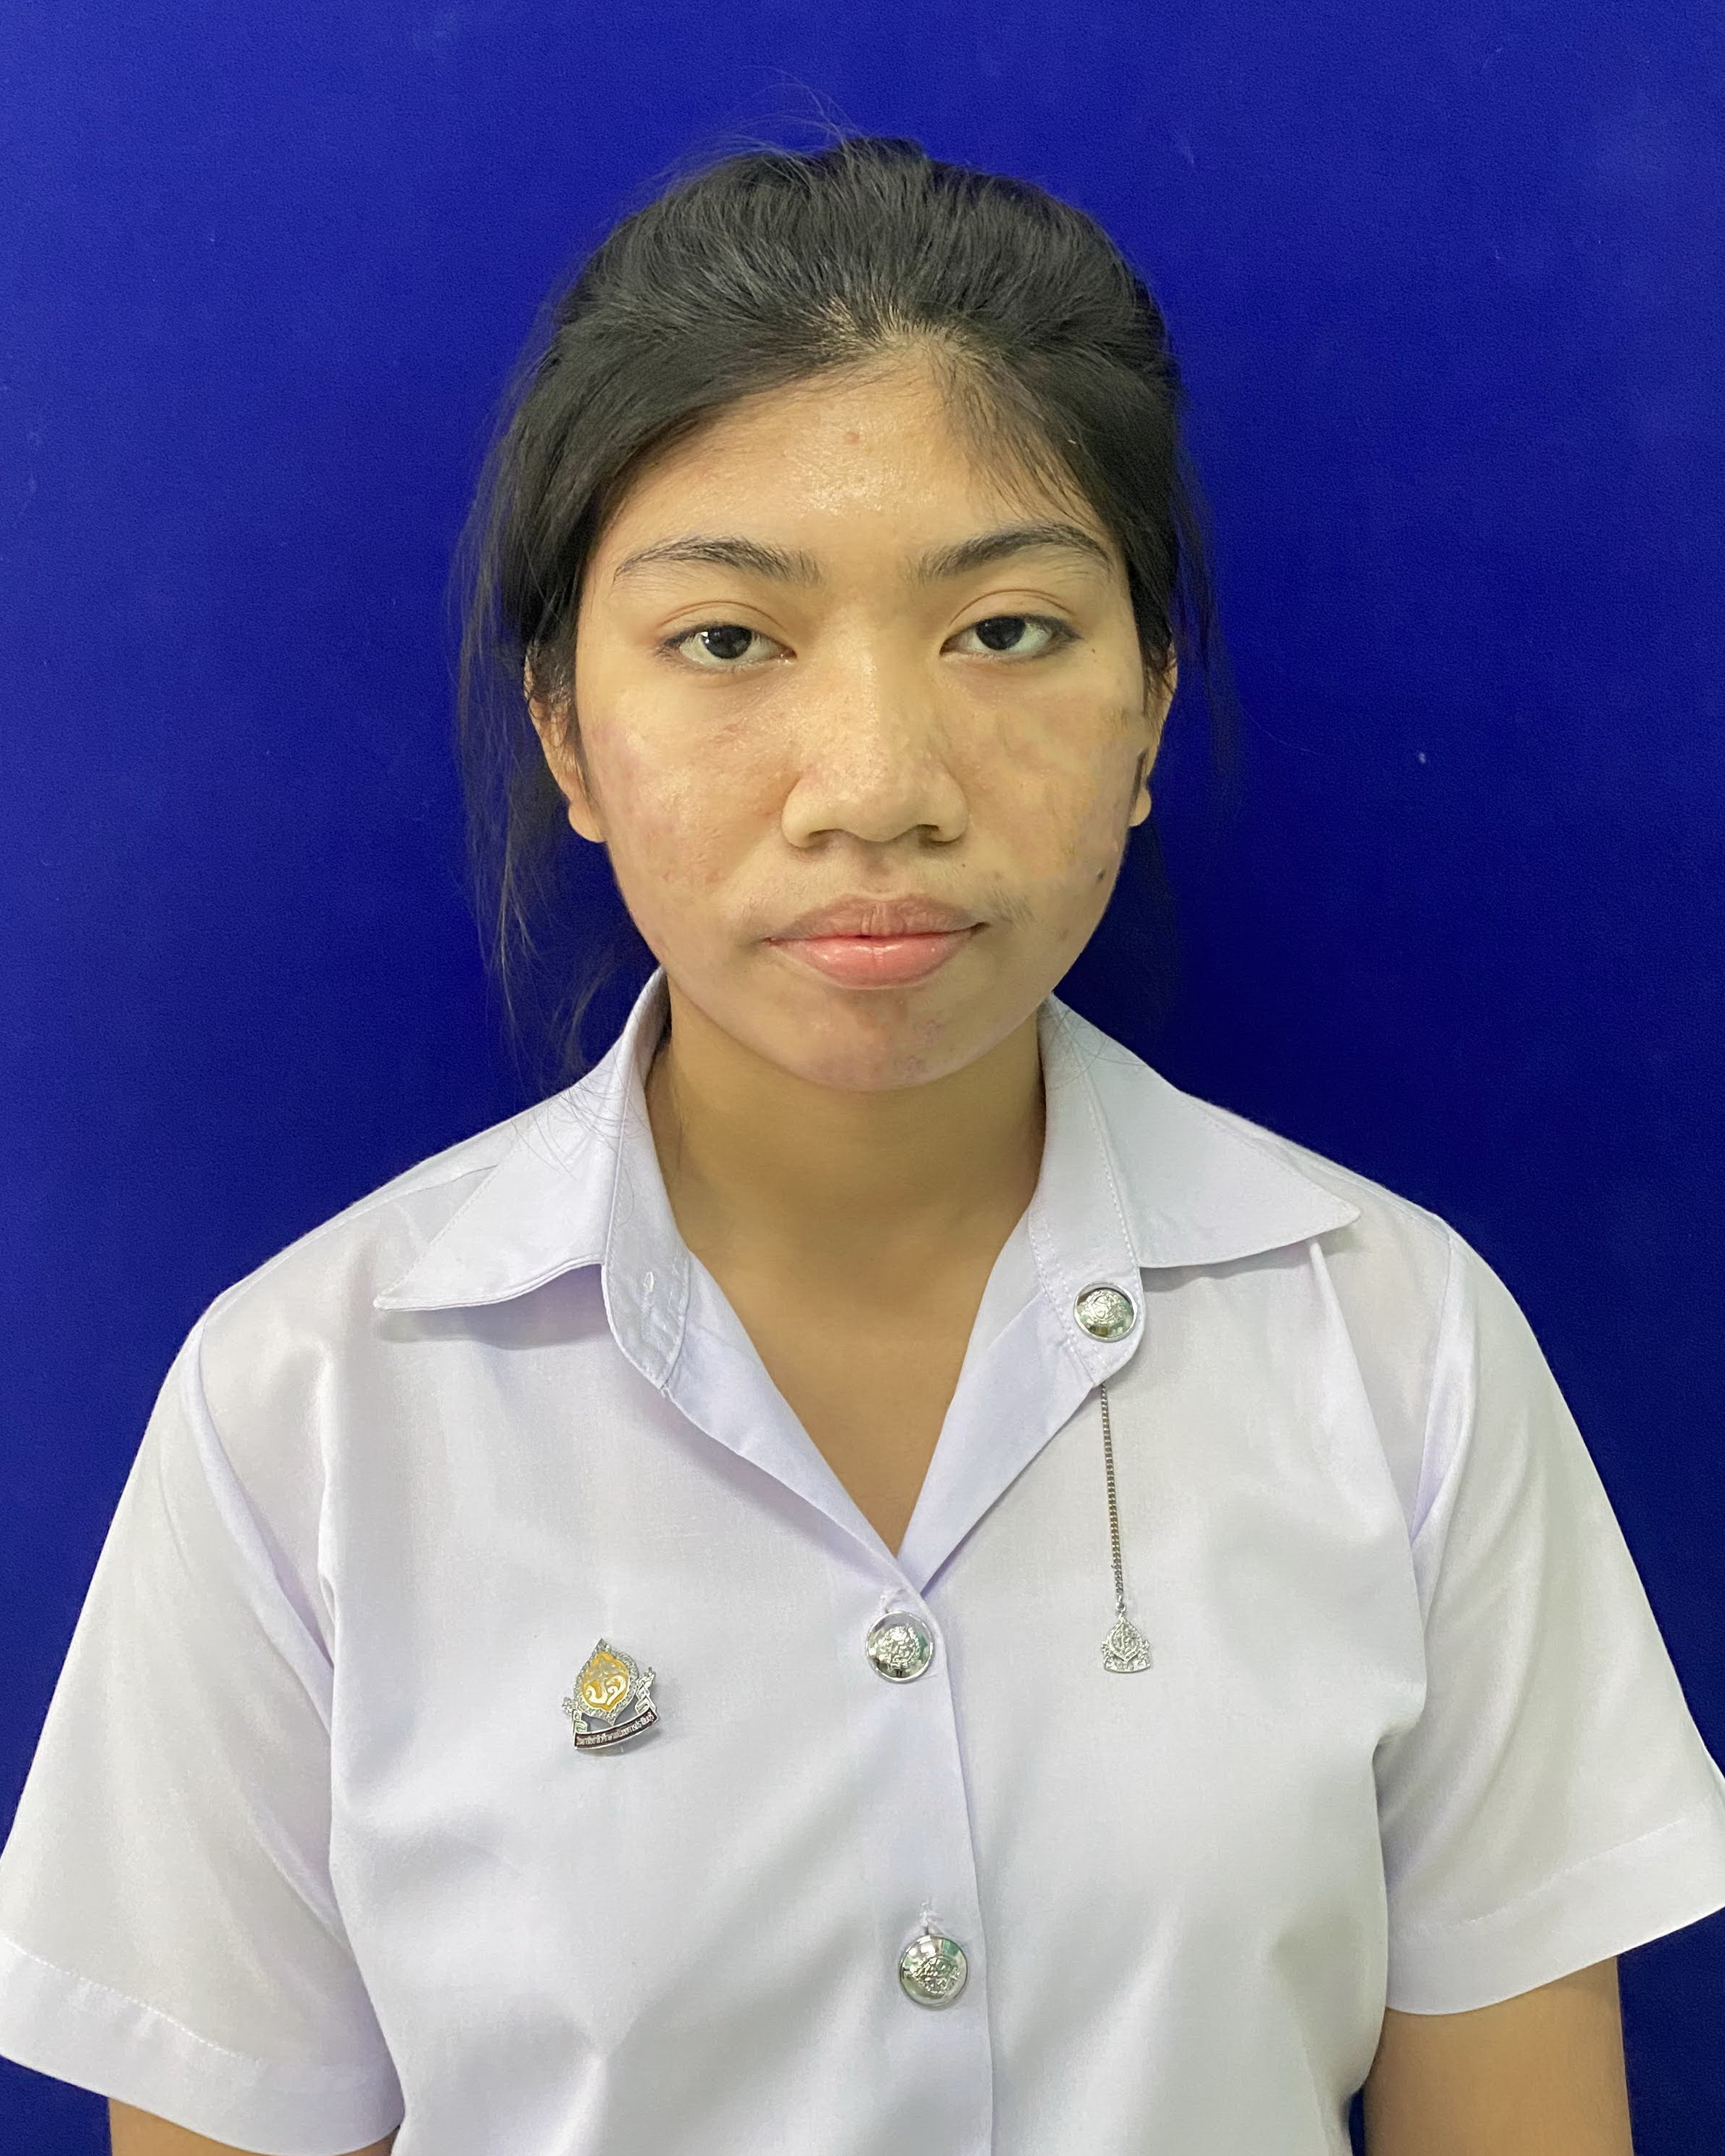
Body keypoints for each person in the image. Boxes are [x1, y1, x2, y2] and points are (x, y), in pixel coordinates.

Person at [2, 133, 1722, 2156]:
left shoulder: (1399, 1348)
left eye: (1006, 630)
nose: (878, 786)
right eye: (729, 641)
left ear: (1152, 701)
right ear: (563, 728)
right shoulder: (305, 1404)